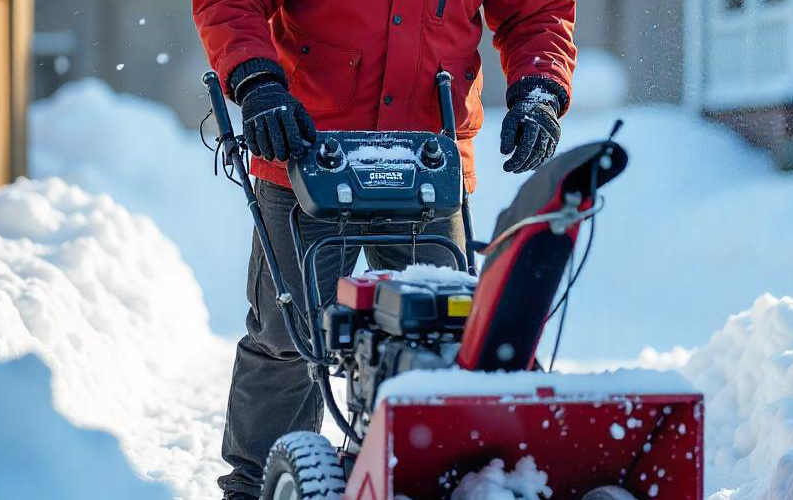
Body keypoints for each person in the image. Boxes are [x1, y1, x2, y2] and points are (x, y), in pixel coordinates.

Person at [193, 1, 576, 497]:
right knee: (291, 336)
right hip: (305, 151)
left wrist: (539, 89)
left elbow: (537, 11)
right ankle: (256, 485)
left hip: (427, 156)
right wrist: (258, 81)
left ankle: (447, 472)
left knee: (448, 330)